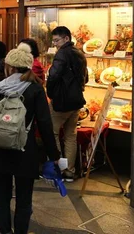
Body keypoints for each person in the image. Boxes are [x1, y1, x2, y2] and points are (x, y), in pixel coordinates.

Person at [0, 44, 60, 234]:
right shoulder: (35, 89)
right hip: (25, 151)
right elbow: (45, 125)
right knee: (24, 200)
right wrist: (53, 153)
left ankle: (5, 231)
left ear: (11, 68)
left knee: (2, 198)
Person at [46, 26, 88, 182]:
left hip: (62, 102)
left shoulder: (61, 55)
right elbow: (86, 78)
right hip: (77, 101)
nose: (55, 44)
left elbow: (53, 76)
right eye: (53, 41)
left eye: (57, 40)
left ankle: (57, 169)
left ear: (66, 39)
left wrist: (50, 94)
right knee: (71, 135)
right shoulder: (80, 54)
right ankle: (69, 171)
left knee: (53, 133)